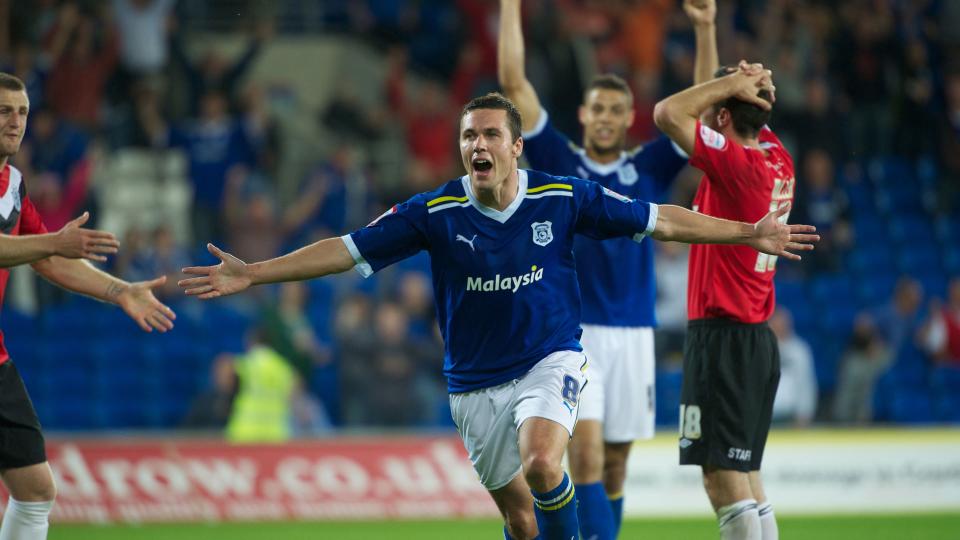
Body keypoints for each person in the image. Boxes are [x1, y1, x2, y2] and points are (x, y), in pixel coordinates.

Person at [179, 92, 816, 540]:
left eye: (489, 135)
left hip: (550, 360)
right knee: (520, 519)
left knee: (545, 465)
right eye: (468, 136)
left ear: (515, 147)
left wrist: (744, 232)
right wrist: (255, 271)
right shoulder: (433, 212)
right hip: (474, 383)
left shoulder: (563, 196)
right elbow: (345, 251)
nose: (477, 144)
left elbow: (661, 219)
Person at [497, 0, 715, 535]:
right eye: (598, 109)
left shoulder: (648, 168)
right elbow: (512, 80)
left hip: (635, 334)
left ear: (628, 116)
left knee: (616, 465)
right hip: (579, 337)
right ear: (583, 114)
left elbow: (700, 117)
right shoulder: (559, 159)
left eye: (616, 110)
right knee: (587, 456)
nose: (606, 118)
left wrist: (705, 29)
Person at [0, 72, 176, 540]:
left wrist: (120, 291)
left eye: (22, 112)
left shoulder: (12, 183)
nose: (15, 122)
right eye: (4, 111)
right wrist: (53, 240)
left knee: (36, 491)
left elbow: (48, 258)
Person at [653, 57, 792, 540]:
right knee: (749, 478)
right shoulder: (778, 158)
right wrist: (747, 83)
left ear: (724, 117)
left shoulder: (739, 165)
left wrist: (735, 82)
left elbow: (668, 113)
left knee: (721, 477)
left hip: (723, 339)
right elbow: (731, 114)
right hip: (755, 340)